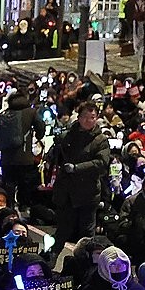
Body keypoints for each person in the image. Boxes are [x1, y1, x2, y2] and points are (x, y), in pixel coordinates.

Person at [50, 101, 109, 244]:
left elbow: (101, 163)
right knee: (63, 229)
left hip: (88, 192)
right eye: (84, 117)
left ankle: (86, 262)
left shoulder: (100, 140)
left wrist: (77, 168)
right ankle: (50, 258)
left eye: (92, 117)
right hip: (67, 190)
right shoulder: (69, 135)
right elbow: (57, 158)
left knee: (87, 232)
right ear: (78, 117)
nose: (88, 121)